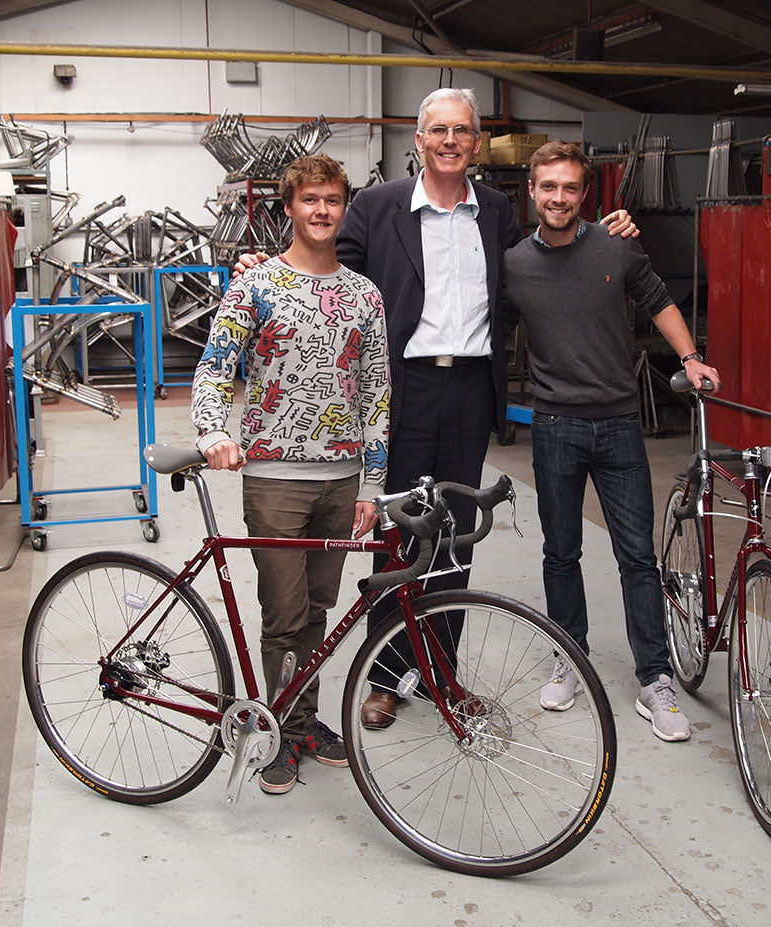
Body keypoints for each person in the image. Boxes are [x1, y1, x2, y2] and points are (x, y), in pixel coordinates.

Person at [238, 88, 638, 730]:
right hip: (402, 389)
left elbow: (547, 252)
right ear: (418, 141)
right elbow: (325, 272)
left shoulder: (500, 211)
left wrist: (609, 231)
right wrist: (266, 266)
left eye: (463, 131)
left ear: (477, 143)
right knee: (396, 534)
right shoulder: (376, 206)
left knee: (454, 536)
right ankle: (388, 676)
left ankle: (441, 674)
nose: (450, 141)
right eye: (438, 130)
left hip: (470, 389)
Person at [502, 141, 721, 742]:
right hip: (553, 427)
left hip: (620, 424)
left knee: (637, 557)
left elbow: (658, 302)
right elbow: (487, 327)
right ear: (533, 192)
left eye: (570, 188)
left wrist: (691, 357)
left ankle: (654, 679)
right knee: (560, 551)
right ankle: (569, 657)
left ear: (585, 195)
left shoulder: (617, 245)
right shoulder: (515, 264)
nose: (559, 198)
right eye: (549, 187)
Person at [191, 153, 390, 793]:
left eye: (333, 200)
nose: (322, 211)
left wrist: (373, 484)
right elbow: (215, 366)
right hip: (275, 477)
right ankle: (275, 728)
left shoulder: (364, 294)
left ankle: (299, 721)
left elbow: (376, 389)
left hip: (341, 477)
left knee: (316, 611)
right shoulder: (255, 286)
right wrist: (213, 428)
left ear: (344, 208)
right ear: (290, 209)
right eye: (310, 200)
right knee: (282, 614)